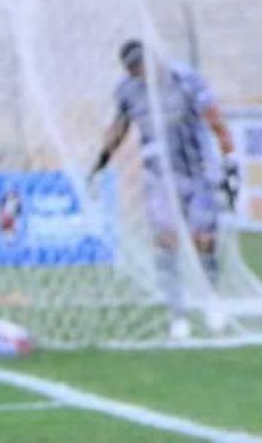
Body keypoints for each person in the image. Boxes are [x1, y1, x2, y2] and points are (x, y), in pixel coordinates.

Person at [90, 39, 239, 339]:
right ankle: (177, 313)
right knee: (165, 240)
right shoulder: (128, 91)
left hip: (198, 172)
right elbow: (119, 128)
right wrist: (101, 161)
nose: (139, 72)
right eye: (132, 69)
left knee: (203, 239)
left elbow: (214, 119)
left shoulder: (185, 80)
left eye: (141, 65)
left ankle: (211, 300)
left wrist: (230, 160)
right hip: (159, 176)